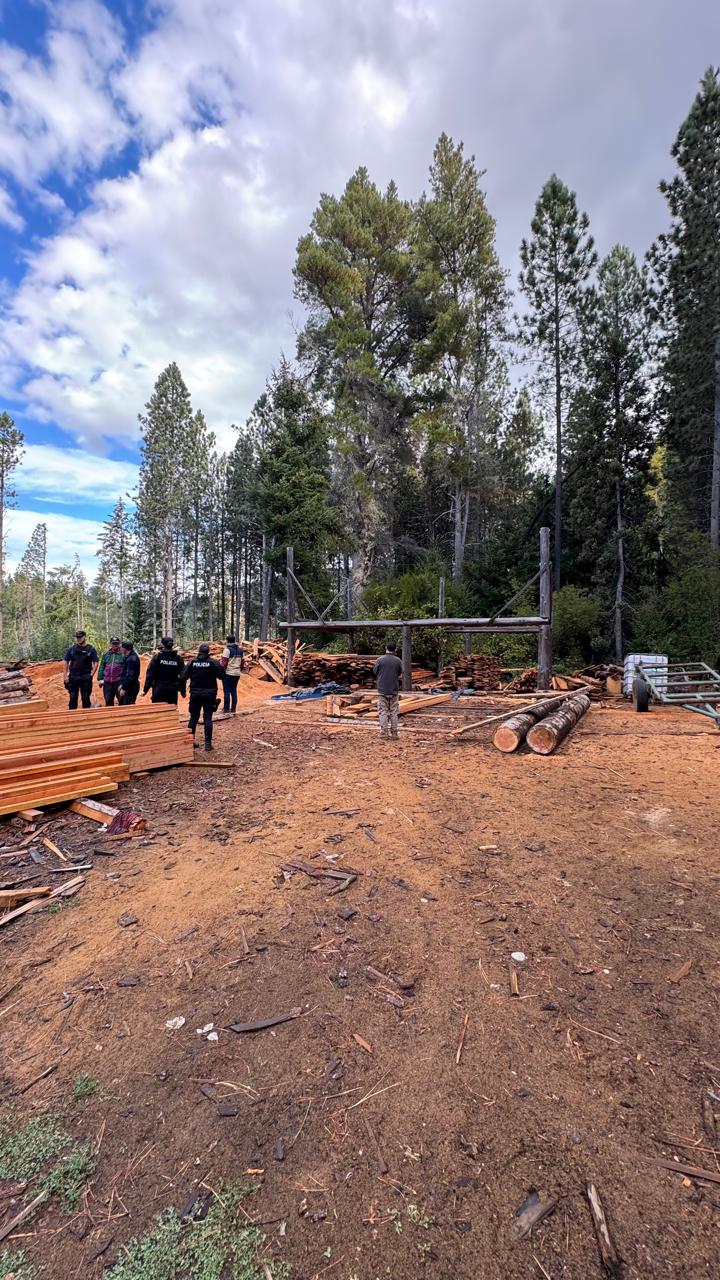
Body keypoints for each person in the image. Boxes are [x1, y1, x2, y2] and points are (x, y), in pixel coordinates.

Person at [181, 642, 225, 752]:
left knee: (193, 718)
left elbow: (183, 676)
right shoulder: (213, 662)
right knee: (208, 718)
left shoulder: (192, 662)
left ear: (199, 651)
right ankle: (208, 744)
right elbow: (222, 676)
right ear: (208, 652)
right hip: (209, 694)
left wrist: (182, 690)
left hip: (195, 694)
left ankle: (190, 742)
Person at [373, 640, 403, 740]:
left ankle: (383, 733)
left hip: (382, 689)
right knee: (394, 711)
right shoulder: (398, 660)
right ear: (395, 649)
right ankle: (394, 733)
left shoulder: (380, 660)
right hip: (394, 689)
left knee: (383, 711)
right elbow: (399, 673)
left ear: (386, 648)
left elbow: (375, 672)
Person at [63, 630, 99, 710]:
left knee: (86, 698)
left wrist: (91, 674)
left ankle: (87, 719)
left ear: (84, 637)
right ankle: (72, 719)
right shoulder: (72, 649)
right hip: (73, 677)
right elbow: (66, 661)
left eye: (80, 637)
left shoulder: (91, 649)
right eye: (77, 637)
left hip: (85, 677)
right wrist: (65, 676)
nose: (78, 639)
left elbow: (96, 662)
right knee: (73, 698)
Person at [143, 637, 185, 704]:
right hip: (172, 690)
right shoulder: (178, 659)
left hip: (158, 688)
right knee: (171, 710)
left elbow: (150, 673)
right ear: (172, 645)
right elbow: (183, 676)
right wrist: (183, 691)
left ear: (163, 645)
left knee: (158, 711)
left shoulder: (157, 657)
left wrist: (145, 689)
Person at [220, 633, 244, 714]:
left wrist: (221, 671)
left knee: (226, 691)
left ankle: (226, 709)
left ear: (227, 641)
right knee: (233, 691)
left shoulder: (227, 650)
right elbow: (242, 662)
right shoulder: (240, 650)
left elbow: (223, 663)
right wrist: (240, 669)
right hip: (237, 673)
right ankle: (233, 708)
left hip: (228, 673)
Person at [98, 637, 125, 706]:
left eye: (117, 643)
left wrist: (124, 682)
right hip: (107, 683)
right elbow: (102, 666)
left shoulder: (123, 654)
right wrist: (100, 678)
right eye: (113, 643)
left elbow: (126, 668)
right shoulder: (106, 654)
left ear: (119, 644)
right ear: (111, 644)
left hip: (119, 682)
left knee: (122, 701)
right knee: (108, 701)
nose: (115, 645)